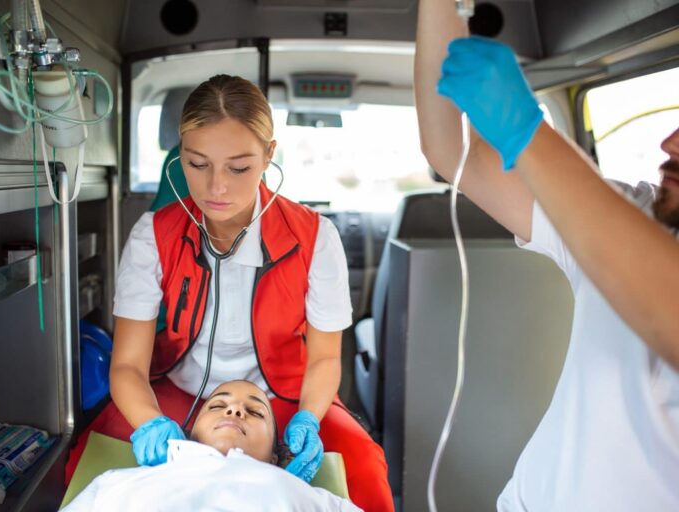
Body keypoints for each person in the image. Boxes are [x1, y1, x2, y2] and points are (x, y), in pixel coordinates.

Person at [66, 74, 393, 511]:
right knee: (88, 458)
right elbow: (127, 365)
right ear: (179, 154)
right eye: (197, 164)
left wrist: (310, 420)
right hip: (176, 389)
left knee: (365, 467)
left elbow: (325, 357)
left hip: (284, 396)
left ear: (268, 156)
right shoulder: (153, 236)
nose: (216, 188)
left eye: (238, 168)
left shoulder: (316, 238)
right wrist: (149, 424)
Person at [415, 1, 679, 510]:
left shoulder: (625, 238)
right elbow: (452, 150)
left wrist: (526, 131)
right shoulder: (632, 214)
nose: (669, 142)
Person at [61, 380, 362, 511]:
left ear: (275, 457)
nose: (234, 411)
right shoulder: (115, 483)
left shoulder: (307, 496)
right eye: (217, 406)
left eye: (255, 412)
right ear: (186, 435)